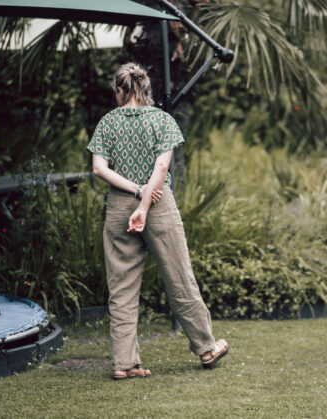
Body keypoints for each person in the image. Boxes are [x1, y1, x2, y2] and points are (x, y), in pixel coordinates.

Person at [87, 62, 229, 380]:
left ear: (120, 90)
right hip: (158, 203)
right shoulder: (162, 120)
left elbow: (99, 169)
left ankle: (124, 363)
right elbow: (161, 168)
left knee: (121, 288)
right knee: (179, 278)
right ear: (144, 88)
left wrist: (136, 193)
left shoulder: (108, 122)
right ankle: (207, 349)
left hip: (119, 207)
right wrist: (145, 200)